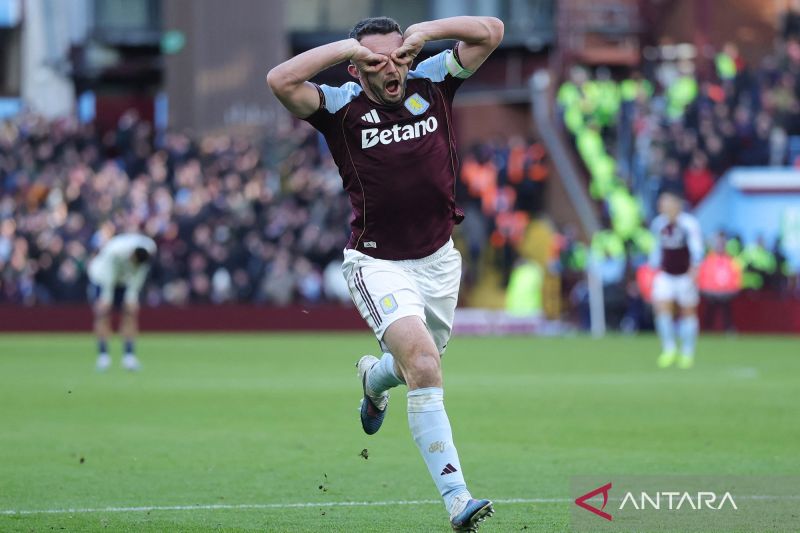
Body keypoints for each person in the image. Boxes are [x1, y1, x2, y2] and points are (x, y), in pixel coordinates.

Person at [267, 15, 503, 531]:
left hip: (440, 260)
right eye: (376, 61)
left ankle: (373, 380)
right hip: (376, 262)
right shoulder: (339, 106)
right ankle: (456, 497)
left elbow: (492, 30)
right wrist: (345, 49)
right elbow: (279, 80)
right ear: (356, 70)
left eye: (398, 56)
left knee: (417, 362)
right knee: (423, 363)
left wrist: (426, 32)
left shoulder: (434, 78)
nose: (391, 67)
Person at [649, 191, 704, 369]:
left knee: (688, 312)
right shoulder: (659, 224)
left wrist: (694, 270)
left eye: (666, 203)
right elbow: (656, 248)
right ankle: (669, 348)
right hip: (666, 274)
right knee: (661, 309)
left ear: (676, 205)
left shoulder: (689, 224)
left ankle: (687, 352)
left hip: (685, 275)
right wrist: (652, 268)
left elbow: (697, 249)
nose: (663, 207)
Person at [87, 233, 157, 371]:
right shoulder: (115, 251)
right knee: (102, 314)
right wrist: (106, 297)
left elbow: (139, 273)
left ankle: (129, 357)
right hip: (101, 278)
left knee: (130, 313)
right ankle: (103, 357)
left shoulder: (149, 249)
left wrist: (132, 297)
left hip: (124, 281)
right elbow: (108, 274)